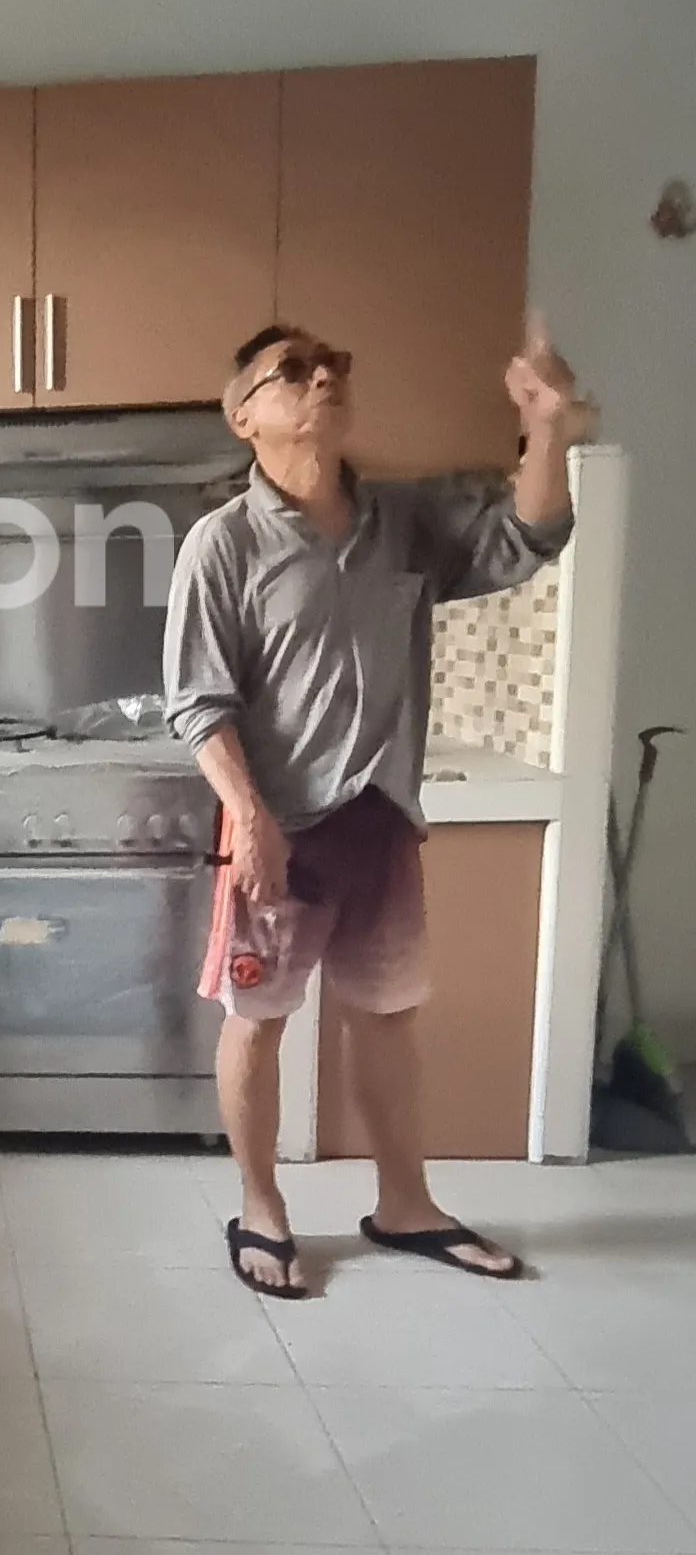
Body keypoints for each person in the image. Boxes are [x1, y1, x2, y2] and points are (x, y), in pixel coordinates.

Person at [163, 317, 593, 1296]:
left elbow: (531, 536)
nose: (321, 378)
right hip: (278, 826)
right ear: (242, 416)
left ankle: (407, 1204)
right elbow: (198, 701)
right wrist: (251, 820)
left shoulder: (402, 520)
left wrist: (547, 430)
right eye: (292, 371)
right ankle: (261, 1207)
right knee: (257, 1018)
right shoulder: (222, 544)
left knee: (386, 1016)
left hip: (380, 814)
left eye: (332, 365)